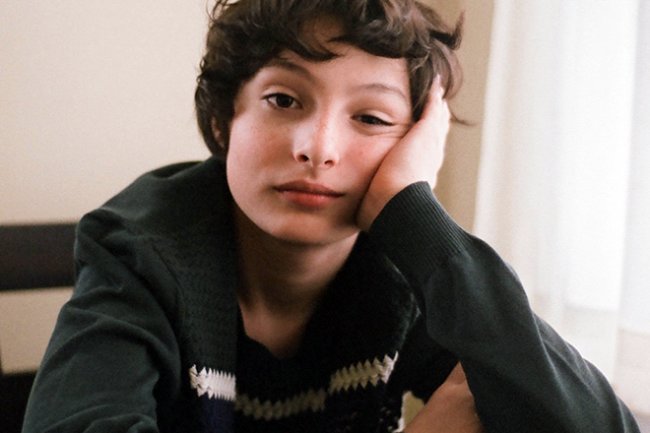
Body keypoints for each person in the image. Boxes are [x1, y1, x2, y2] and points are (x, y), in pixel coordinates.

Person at [22, 0, 641, 432]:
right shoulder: (139, 251)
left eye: (370, 118)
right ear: (223, 119)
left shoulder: (404, 270)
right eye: (283, 99)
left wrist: (414, 213)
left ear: (414, 146)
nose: (318, 148)